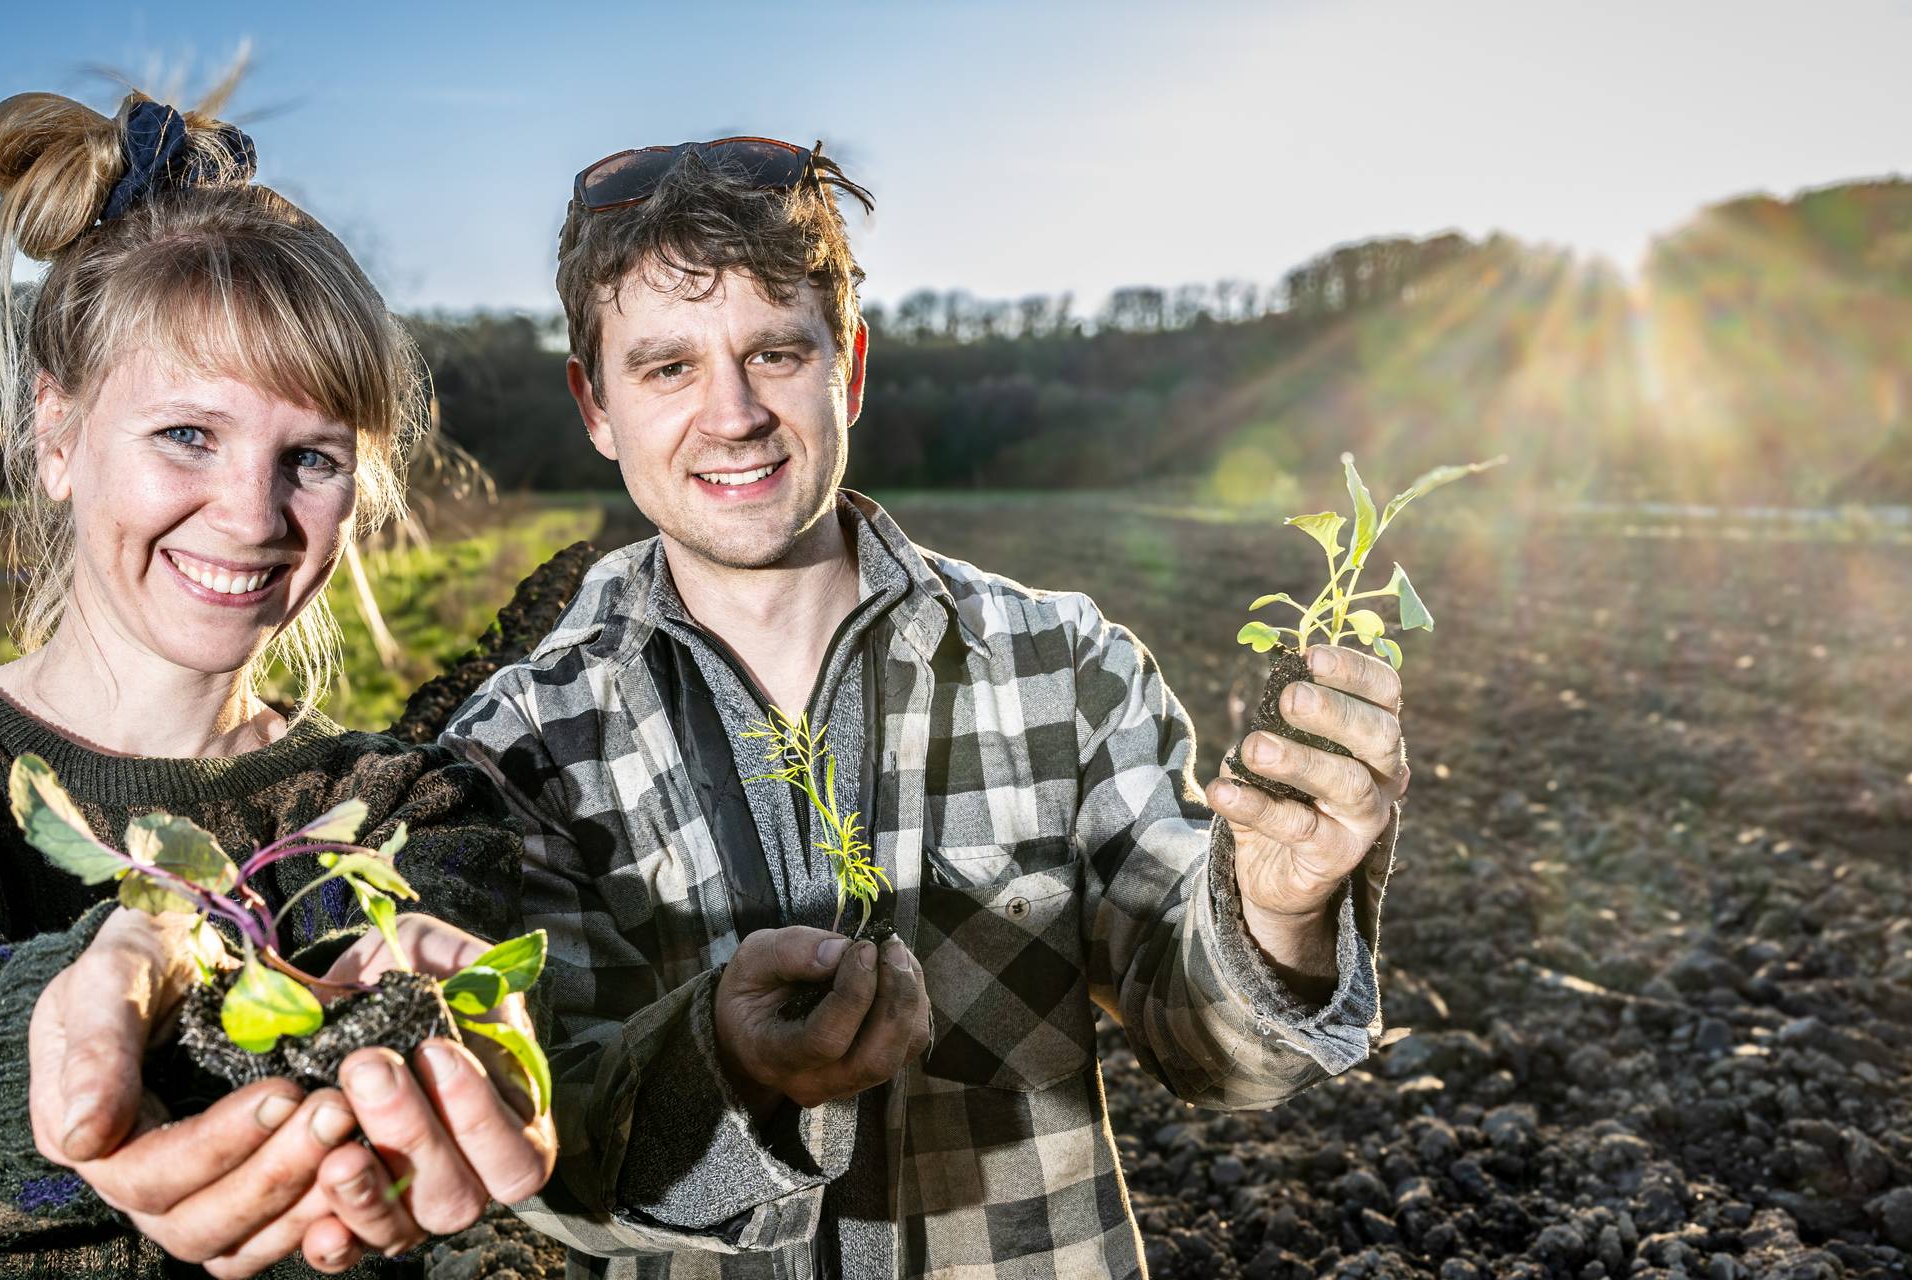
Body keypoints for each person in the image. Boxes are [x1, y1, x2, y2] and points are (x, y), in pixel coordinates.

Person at [439, 138, 1409, 1277]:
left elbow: (1216, 1048)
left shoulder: (1061, 665)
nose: (733, 412)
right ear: (594, 402)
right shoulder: (518, 751)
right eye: (666, 369)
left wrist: (1282, 911)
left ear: (845, 367)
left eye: (773, 351)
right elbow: (551, 1162)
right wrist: (732, 1072)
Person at [0, 77, 552, 1278]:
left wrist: (450, 1094)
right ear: (55, 434)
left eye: (307, 457)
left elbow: (442, 1151)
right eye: (187, 434)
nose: (249, 515)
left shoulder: (409, 808)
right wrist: (91, 1005)